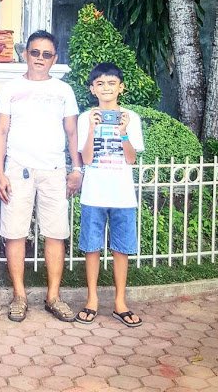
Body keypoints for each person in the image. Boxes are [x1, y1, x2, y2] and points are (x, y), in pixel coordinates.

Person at [0, 30, 83, 322]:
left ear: (54, 58)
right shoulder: (10, 88)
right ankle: (19, 295)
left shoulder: (63, 90)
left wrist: (76, 168)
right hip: (17, 169)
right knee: (15, 231)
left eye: (46, 54)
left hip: (54, 170)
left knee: (56, 233)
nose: (40, 59)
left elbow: (72, 132)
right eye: (35, 53)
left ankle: (53, 296)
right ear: (25, 54)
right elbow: (1, 131)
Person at [76, 63, 145, 327]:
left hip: (122, 195)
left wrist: (124, 131)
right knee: (92, 248)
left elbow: (131, 159)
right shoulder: (86, 117)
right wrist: (93, 130)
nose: (107, 88)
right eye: (101, 84)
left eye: (112, 83)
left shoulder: (131, 117)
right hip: (93, 194)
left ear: (121, 87)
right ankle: (92, 299)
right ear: (93, 89)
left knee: (121, 250)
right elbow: (87, 158)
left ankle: (120, 302)